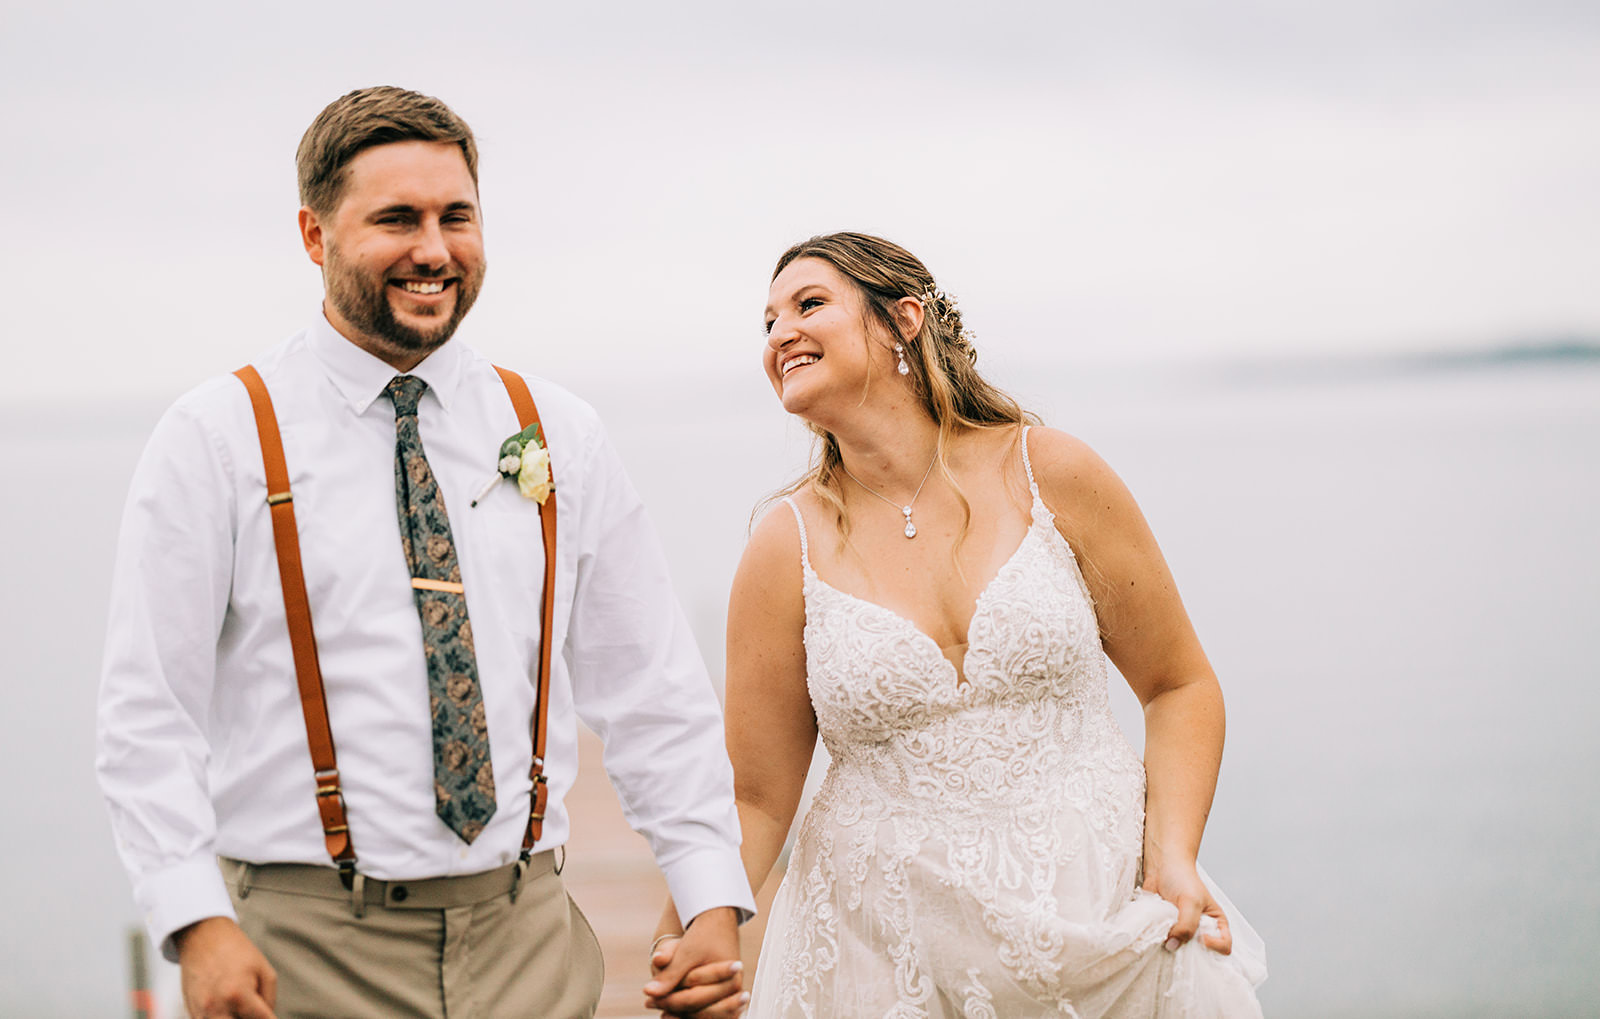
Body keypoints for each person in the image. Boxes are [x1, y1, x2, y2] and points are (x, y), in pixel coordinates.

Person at [95, 86, 753, 1019]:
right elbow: (146, 714)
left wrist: (709, 894)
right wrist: (196, 922)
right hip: (305, 945)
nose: (435, 249)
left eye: (457, 217)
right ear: (315, 235)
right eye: (397, 219)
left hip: (530, 938)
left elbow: (652, 690)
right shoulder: (218, 437)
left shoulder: (557, 429)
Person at [646, 233, 1267, 1017]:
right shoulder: (783, 545)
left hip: (1097, 904)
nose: (779, 334)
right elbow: (758, 797)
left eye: (808, 305)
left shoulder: (1051, 472)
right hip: (882, 948)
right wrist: (692, 927)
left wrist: (1173, 854)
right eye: (768, 323)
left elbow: (1178, 685)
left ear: (903, 320)